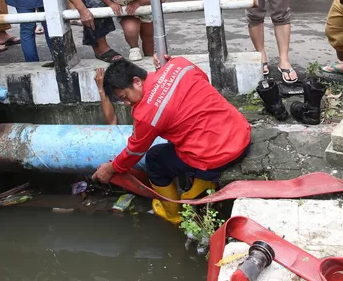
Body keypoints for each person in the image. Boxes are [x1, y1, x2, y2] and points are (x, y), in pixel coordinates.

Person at [93, 57, 252, 225]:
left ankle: (174, 215)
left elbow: (134, 151)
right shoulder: (179, 65)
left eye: (125, 97)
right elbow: (203, 79)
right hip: (241, 134)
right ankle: (200, 182)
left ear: (137, 81)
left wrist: (111, 168)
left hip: (217, 156)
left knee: (154, 159)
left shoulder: (146, 114)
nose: (126, 103)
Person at [96, 0, 165, 61]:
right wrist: (111, 3)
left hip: (145, 13)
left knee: (148, 36)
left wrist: (139, 2)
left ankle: (149, 57)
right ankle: (134, 48)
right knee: (131, 28)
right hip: (128, 14)